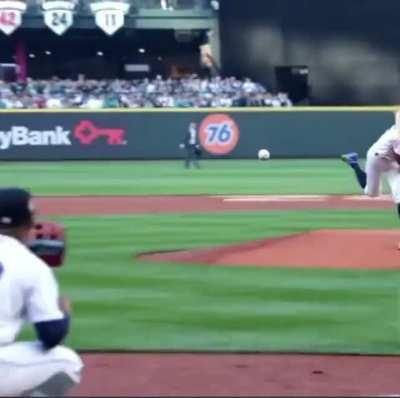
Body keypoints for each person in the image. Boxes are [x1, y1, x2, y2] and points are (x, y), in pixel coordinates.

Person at [0, 188, 83, 396]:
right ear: (27, 223)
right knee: (66, 362)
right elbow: (51, 334)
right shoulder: (32, 265)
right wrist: (64, 312)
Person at [341, 111, 400, 239]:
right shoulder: (397, 136)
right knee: (371, 193)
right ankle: (354, 163)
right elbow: (398, 157)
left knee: (399, 195)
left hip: (393, 163)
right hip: (377, 159)